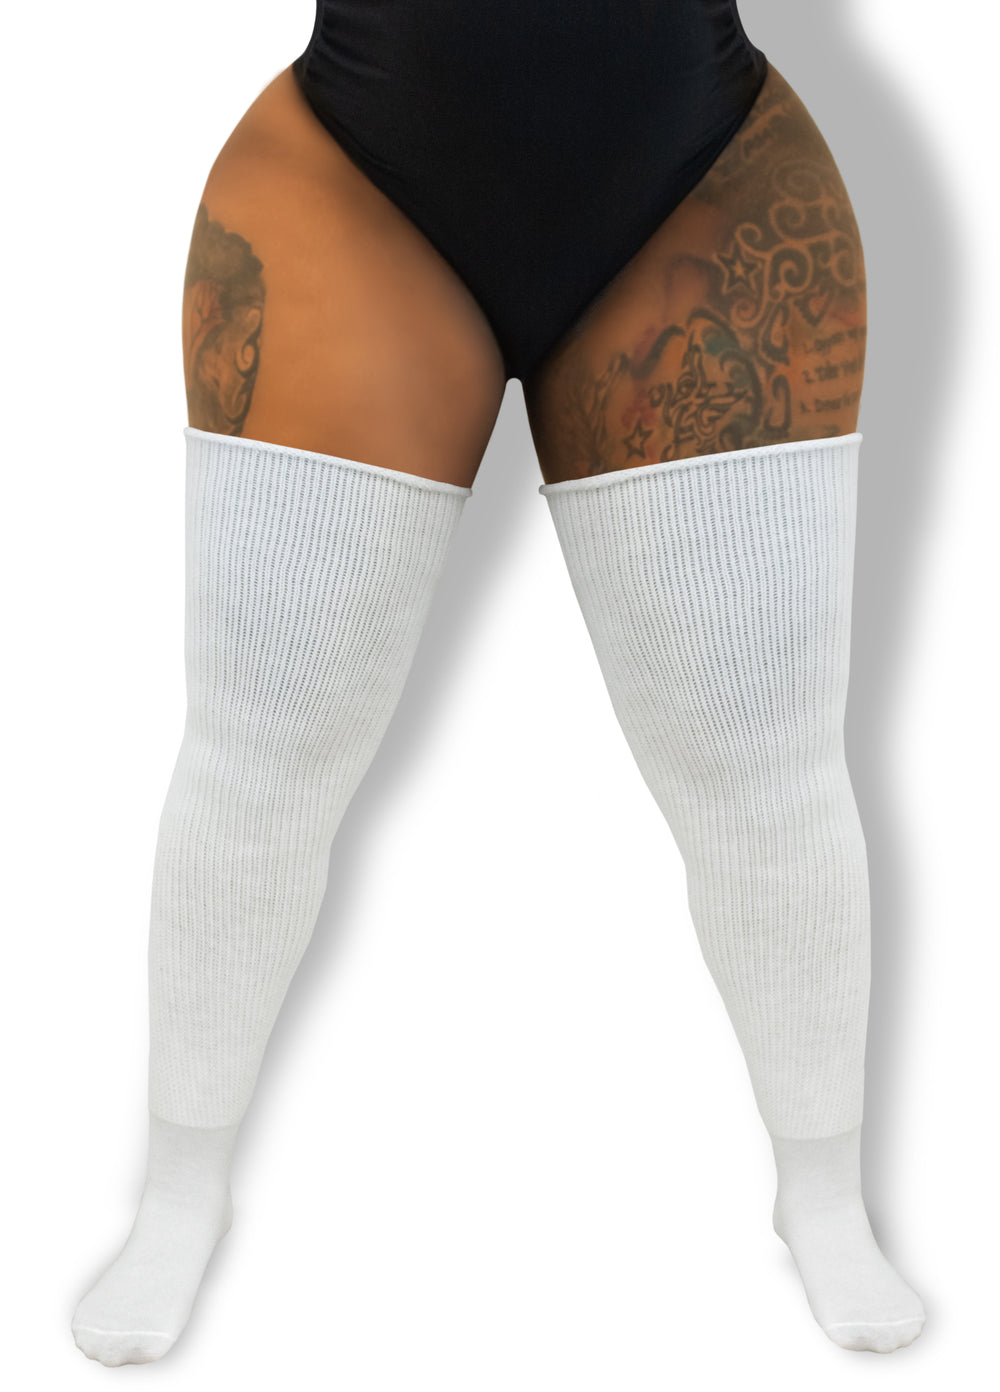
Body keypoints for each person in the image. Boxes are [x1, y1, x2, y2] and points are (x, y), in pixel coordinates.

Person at [71, 0, 925, 1364]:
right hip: (355, 171)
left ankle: (823, 1190)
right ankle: (180, 1185)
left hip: (699, 171)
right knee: (264, 747)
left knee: (762, 767)